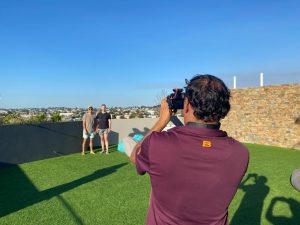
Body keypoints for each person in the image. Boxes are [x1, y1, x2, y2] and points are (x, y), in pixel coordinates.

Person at [130, 74, 249, 225]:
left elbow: (135, 155)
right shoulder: (240, 153)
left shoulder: (158, 144)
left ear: (187, 106)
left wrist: (161, 121)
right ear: (224, 108)